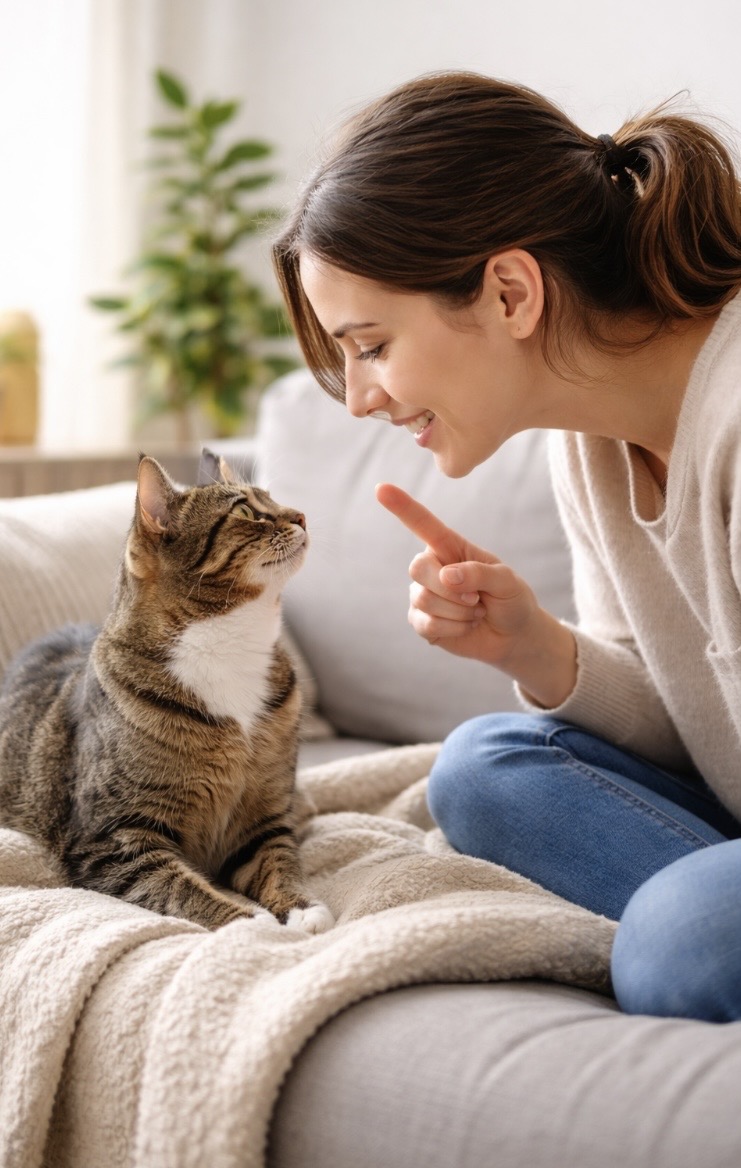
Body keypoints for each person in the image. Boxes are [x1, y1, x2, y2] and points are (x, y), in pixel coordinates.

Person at [272, 71, 741, 1023]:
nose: (358, 399)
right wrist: (533, 646)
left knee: (682, 939)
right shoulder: (589, 446)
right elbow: (694, 725)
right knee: (483, 769)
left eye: (371, 345)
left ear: (510, 293)